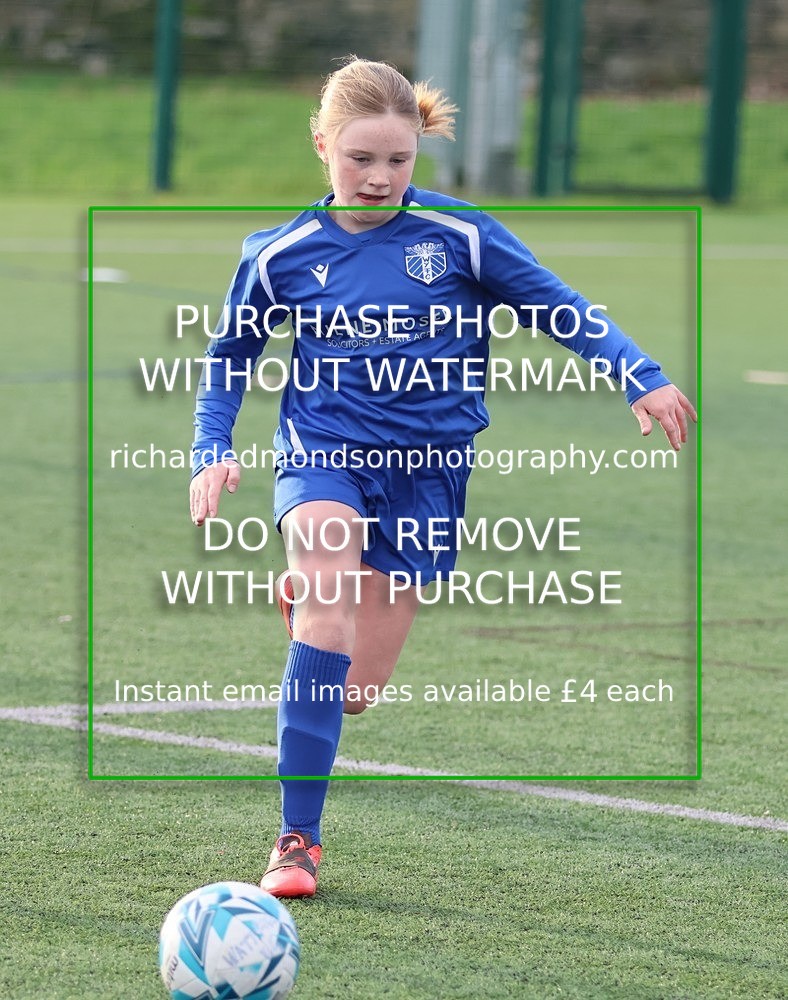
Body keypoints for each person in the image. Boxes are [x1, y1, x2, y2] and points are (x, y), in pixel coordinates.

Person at [188, 57, 696, 898]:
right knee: (325, 606)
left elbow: (559, 305)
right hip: (324, 454)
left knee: (353, 693)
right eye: (361, 160)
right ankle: (297, 841)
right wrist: (214, 448)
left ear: (418, 149)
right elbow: (229, 356)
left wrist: (636, 372)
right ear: (322, 146)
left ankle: (319, 608)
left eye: (398, 160)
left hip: (428, 477)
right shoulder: (280, 253)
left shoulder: (462, 236)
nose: (380, 177)